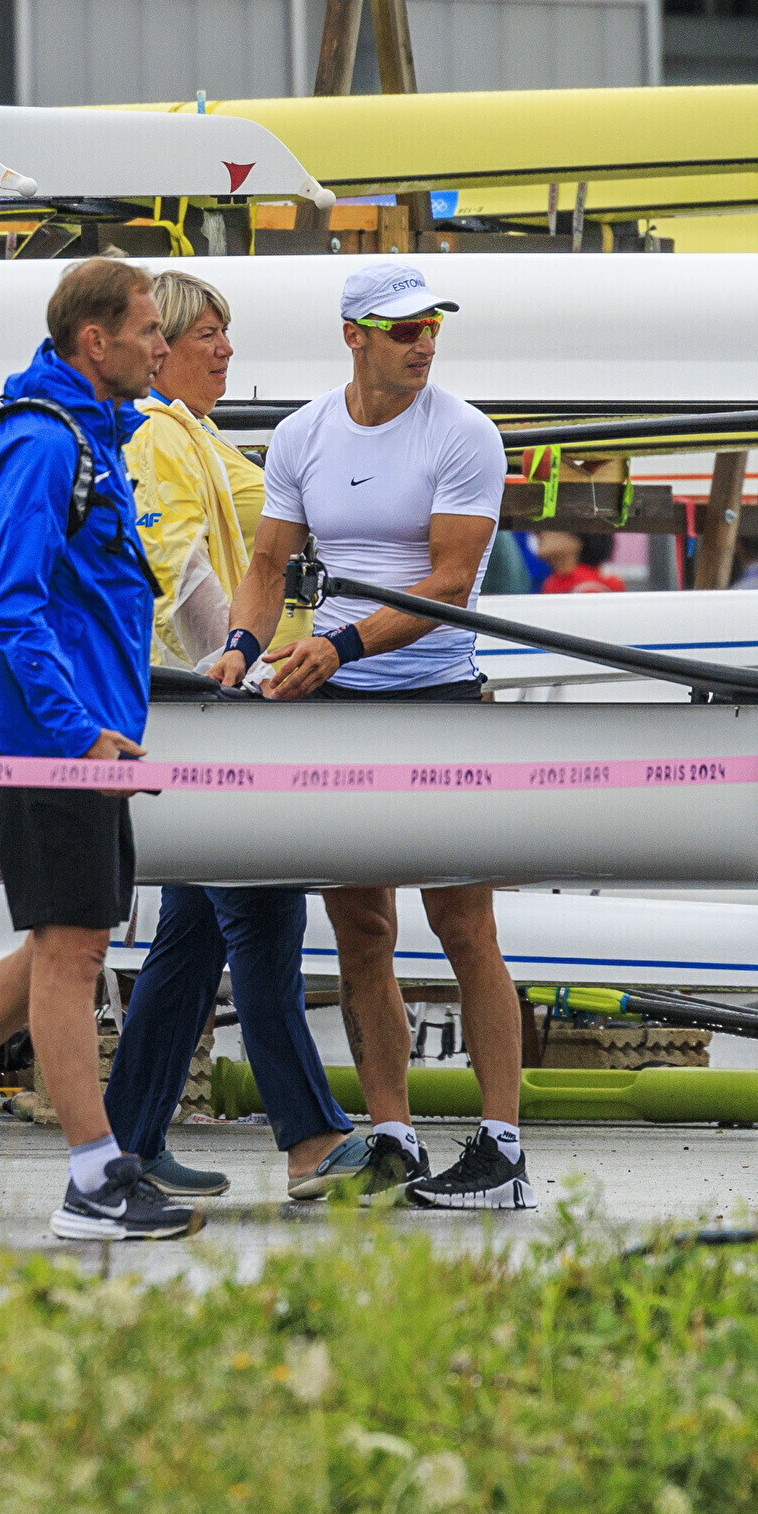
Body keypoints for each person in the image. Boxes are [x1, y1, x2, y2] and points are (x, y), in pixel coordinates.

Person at [0, 257, 189, 1242]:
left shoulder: (90, 433)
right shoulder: (45, 442)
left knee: (59, 942)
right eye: (150, 329)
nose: (163, 346)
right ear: (95, 340)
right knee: (72, 948)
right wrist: (77, 731)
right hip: (48, 740)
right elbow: (14, 607)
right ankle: (95, 1177)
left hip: (78, 736)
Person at [210, 260, 532, 1212]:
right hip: (338, 701)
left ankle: (503, 1149)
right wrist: (239, 647)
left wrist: (340, 645)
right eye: (402, 329)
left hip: (435, 698)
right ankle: (392, 1136)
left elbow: (450, 581)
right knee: (361, 930)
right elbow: (268, 565)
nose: (422, 342)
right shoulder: (303, 433)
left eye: (432, 326)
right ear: (354, 335)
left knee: (464, 926)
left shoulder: (464, 433)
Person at [97, 271, 356, 1198]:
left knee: (192, 937)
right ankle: (311, 1138)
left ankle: (126, 1141)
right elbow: (176, 570)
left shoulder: (196, 433)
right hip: (208, 703)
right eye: (207, 332)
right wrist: (236, 676)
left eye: (226, 331)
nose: (225, 348)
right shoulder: (159, 434)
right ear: (159, 343)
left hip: (204, 696)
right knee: (260, 902)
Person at [532, 530, 626, 595]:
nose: (538, 532)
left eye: (555, 526)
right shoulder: (554, 580)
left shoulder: (588, 584)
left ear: (577, 540)